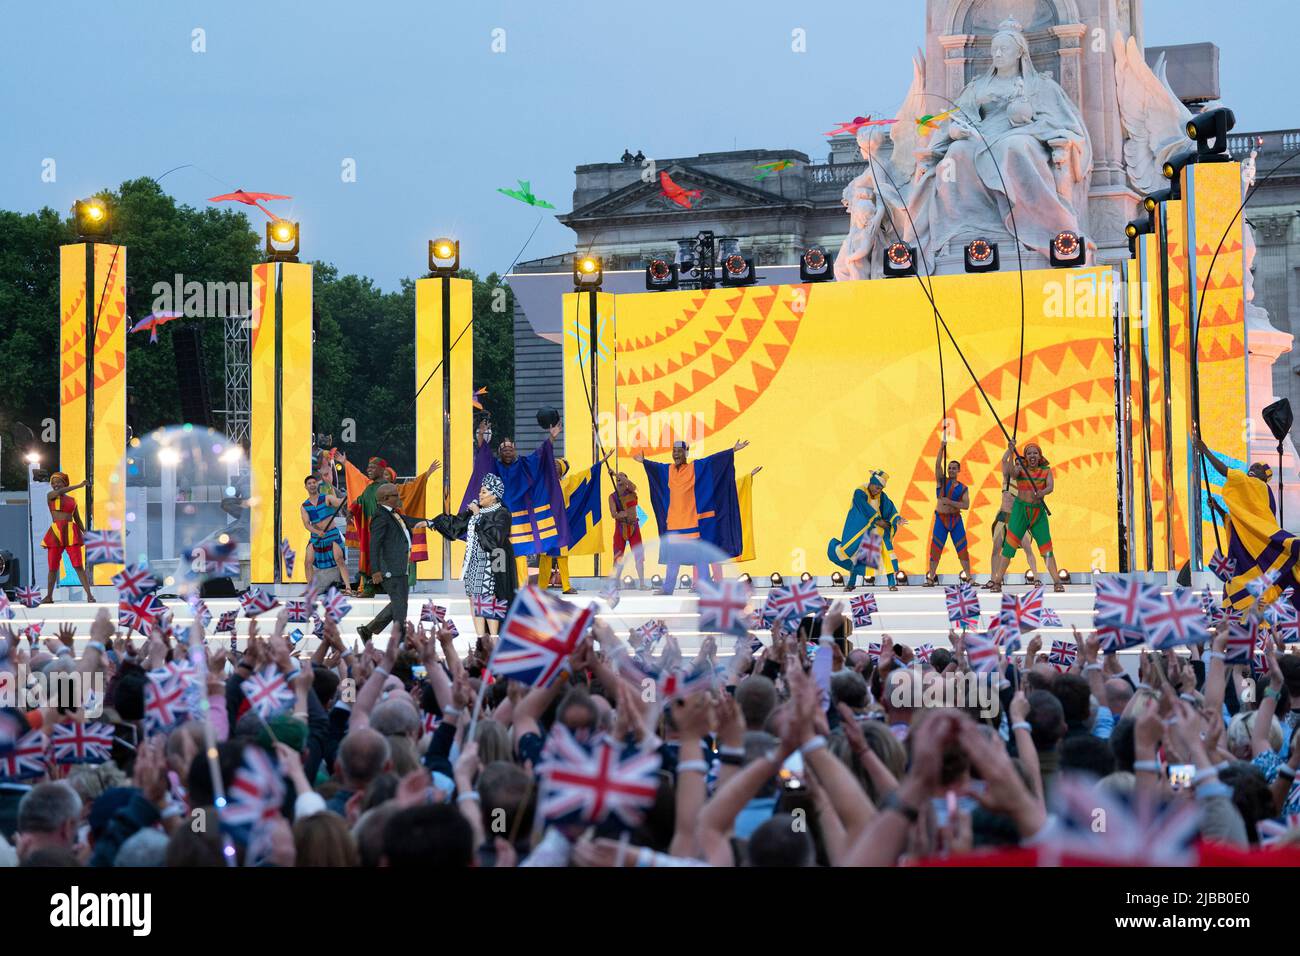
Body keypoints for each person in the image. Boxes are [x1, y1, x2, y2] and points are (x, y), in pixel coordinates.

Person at [634, 439, 748, 595]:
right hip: (674, 523)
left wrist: (732, 450)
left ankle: (706, 586)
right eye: (674, 451)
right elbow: (655, 468)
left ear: (686, 453)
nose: (676, 454)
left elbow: (712, 462)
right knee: (673, 559)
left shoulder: (694, 468)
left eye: (679, 451)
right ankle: (668, 589)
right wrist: (644, 462)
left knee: (699, 558)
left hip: (691, 523)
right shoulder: (668, 470)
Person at [340, 454, 439, 597]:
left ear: (382, 470)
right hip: (370, 529)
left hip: (386, 530)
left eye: (373, 468)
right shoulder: (369, 488)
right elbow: (359, 500)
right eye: (368, 467)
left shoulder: (391, 488)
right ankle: (369, 588)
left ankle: (389, 587)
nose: (369, 470)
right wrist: (351, 511)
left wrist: (426, 475)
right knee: (369, 557)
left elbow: (407, 495)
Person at [432, 473, 517, 637]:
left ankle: (493, 637)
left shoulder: (502, 513)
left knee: (489, 598)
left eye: (484, 492)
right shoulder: (475, 511)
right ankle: (480, 638)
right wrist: (432, 523)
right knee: (474, 598)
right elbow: (456, 525)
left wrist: (478, 515)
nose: (479, 494)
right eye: (480, 491)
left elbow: (496, 537)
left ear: (494, 496)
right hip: (473, 561)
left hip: (492, 561)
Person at [356, 484, 429, 642]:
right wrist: (375, 570)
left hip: (400, 568)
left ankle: (367, 630)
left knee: (399, 603)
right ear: (385, 499)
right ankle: (399, 643)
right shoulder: (380, 516)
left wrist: (429, 522)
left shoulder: (393, 514)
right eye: (396, 495)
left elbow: (409, 521)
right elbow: (374, 545)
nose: (399, 497)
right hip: (390, 570)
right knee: (400, 608)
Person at [988, 441, 1063, 593]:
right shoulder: (1020, 470)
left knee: (1046, 549)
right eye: (1029, 453)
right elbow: (1008, 469)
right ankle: (997, 581)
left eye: (1035, 453)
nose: (1032, 456)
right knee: (1008, 548)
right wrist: (1009, 451)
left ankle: (1057, 581)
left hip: (1037, 513)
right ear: (1026, 457)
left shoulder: (1046, 471)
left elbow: (1050, 487)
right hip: (1020, 512)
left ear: (1039, 455)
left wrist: (1043, 492)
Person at [827, 470, 906, 591]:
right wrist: (876, 520)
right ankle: (851, 583)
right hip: (862, 530)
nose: (878, 490)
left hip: (878, 530)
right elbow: (863, 508)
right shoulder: (860, 492)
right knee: (856, 557)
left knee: (886, 553)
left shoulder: (881, 496)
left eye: (880, 489)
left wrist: (897, 519)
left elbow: (889, 508)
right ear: (871, 482)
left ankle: (891, 583)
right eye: (876, 487)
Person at [984, 446, 1040, 589]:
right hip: (1003, 517)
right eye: (1016, 463)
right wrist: (1010, 449)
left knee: (1028, 548)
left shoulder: (1027, 481)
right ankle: (994, 579)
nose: (1018, 465)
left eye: (1021, 463)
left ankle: (1036, 578)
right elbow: (1004, 460)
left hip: (1018, 518)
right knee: (996, 549)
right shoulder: (1007, 477)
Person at [41, 472, 95, 603]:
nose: (55, 485)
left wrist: (85, 531)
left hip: (71, 532)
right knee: (53, 567)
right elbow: (62, 491)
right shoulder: (51, 496)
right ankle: (49, 596)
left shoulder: (72, 501)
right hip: (55, 533)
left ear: (65, 483)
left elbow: (77, 518)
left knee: (78, 565)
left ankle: (89, 595)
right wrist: (80, 485)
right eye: (53, 483)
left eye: (58, 482)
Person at [925, 437, 971, 585]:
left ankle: (969, 577)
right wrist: (941, 448)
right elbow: (938, 465)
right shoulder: (941, 481)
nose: (951, 470)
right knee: (936, 549)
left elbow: (966, 506)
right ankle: (931, 577)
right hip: (941, 519)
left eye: (954, 468)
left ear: (958, 470)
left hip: (955, 520)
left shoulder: (963, 488)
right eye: (949, 467)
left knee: (962, 548)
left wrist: (950, 502)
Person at [301, 475, 353, 594]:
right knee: (308, 562)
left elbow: (339, 502)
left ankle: (348, 588)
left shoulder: (326, 498)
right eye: (309, 483)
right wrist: (317, 532)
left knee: (339, 560)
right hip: (316, 537)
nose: (312, 485)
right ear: (306, 487)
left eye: (314, 482)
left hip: (331, 534)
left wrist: (345, 499)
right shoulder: (304, 506)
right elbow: (307, 524)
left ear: (317, 484)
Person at [609, 471, 645, 588]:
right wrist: (623, 514)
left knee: (639, 556)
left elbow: (633, 486)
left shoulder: (632, 491)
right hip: (621, 528)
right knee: (617, 556)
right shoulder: (612, 496)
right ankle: (615, 583)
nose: (619, 478)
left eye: (622, 476)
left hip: (634, 527)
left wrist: (616, 474)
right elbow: (614, 514)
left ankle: (642, 583)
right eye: (618, 477)